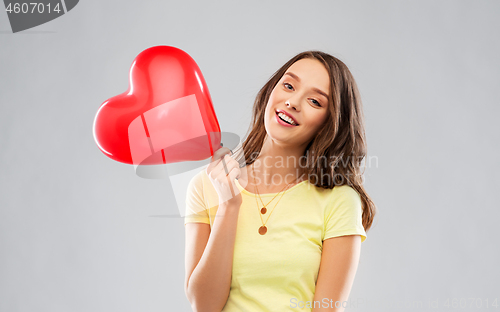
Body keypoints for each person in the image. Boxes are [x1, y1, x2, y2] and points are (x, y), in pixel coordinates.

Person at [183, 51, 377, 312]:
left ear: (329, 124)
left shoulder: (340, 201)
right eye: (288, 86)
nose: (293, 102)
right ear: (269, 92)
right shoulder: (205, 186)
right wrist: (228, 206)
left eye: (315, 102)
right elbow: (204, 306)